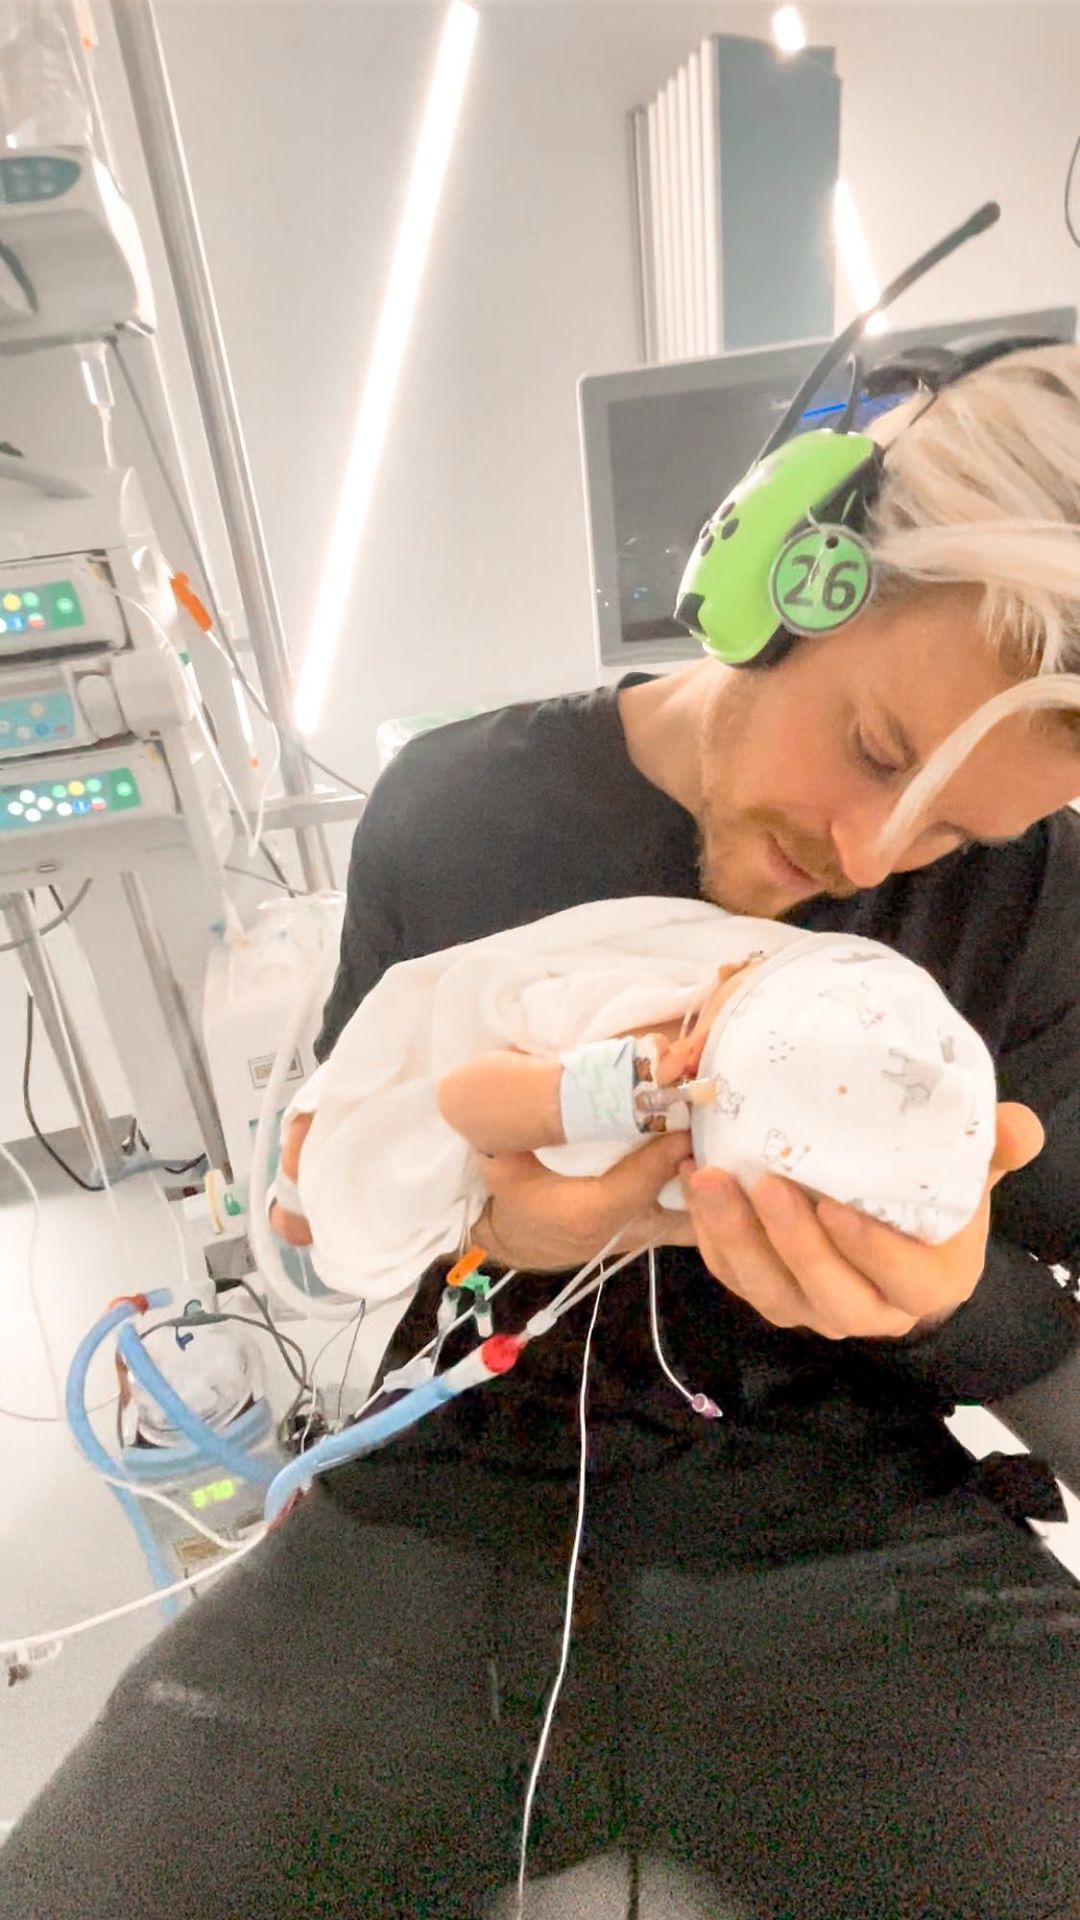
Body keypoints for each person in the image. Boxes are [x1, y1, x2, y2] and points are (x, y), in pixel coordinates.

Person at [4, 346, 1080, 1920]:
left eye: (960, 828)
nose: (870, 853)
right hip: (443, 1517)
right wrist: (485, 1225)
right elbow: (320, 1215)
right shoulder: (458, 812)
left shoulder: (1032, 909)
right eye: (874, 747)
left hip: (855, 1544)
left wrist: (957, 1305)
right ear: (786, 570)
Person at [267, 904, 1002, 1301]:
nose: (686, 1065)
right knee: (316, 1161)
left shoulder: (717, 1183)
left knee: (329, 1222)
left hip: (482, 1210)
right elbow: (462, 1097)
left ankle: (300, 1201)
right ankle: (296, 1187)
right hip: (440, 1095)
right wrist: (598, 1094)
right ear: (725, 979)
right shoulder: (632, 1017)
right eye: (705, 1037)